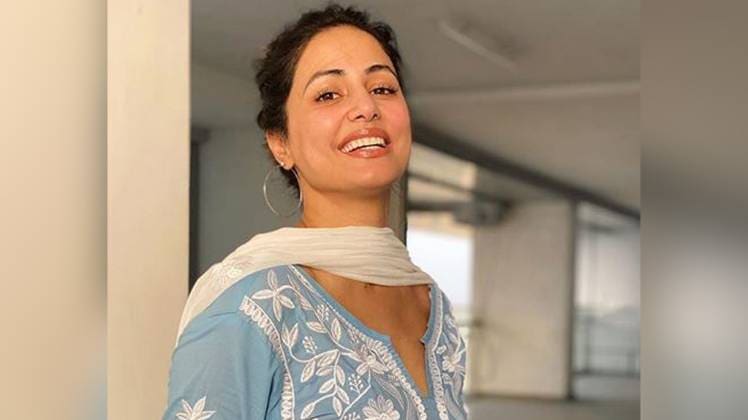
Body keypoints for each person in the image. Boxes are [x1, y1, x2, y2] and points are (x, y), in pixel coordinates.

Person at [162, 4, 467, 419]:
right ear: (281, 144)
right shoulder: (252, 307)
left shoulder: (434, 308)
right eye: (328, 94)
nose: (366, 107)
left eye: (382, 88)